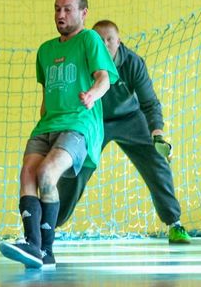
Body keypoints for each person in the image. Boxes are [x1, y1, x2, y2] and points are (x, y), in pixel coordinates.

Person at [0, 0, 118, 269]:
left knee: (46, 172)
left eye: (67, 9)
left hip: (79, 123)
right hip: (47, 124)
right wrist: (43, 121)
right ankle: (35, 248)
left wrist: (92, 95)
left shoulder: (89, 39)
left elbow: (104, 78)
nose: (60, 14)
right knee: (27, 174)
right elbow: (46, 96)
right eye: (57, 9)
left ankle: (45, 248)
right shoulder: (45, 50)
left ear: (83, 13)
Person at [56, 20, 191, 244]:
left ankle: (174, 224)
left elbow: (149, 102)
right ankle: (48, 226)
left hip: (131, 119)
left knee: (157, 163)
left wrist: (157, 134)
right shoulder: (81, 62)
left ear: (118, 42)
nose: (104, 44)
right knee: (74, 168)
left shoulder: (133, 63)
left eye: (109, 39)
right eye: (99, 40)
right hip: (93, 121)